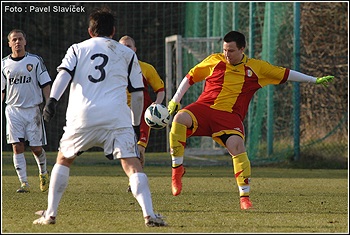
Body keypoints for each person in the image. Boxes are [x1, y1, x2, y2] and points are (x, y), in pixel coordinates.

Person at [167, 30, 334, 210]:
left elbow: (285, 73)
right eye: (224, 50)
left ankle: (244, 198)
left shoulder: (256, 68)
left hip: (230, 117)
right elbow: (190, 77)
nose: (226, 54)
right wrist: (175, 100)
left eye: (231, 51)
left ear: (242, 49)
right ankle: (177, 171)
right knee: (179, 118)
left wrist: (314, 80)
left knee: (237, 146)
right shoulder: (214, 61)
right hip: (204, 109)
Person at [32, 7, 166, 227]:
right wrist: (134, 126)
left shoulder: (76, 48)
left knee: (64, 160)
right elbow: (138, 94)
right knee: (132, 165)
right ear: (113, 31)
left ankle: (51, 214)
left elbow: (63, 75)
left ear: (90, 31)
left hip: (82, 116)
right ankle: (149, 214)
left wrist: (52, 102)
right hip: (116, 116)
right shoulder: (127, 53)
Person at [2, 29, 51, 193]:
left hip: (32, 110)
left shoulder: (35, 61)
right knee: (17, 146)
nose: (17, 42)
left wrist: (49, 103)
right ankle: (24, 183)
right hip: (13, 110)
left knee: (36, 148)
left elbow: (45, 83)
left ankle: (43, 173)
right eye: (14, 40)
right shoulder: (3, 64)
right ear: (9, 44)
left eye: (20, 39)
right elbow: (2, 89)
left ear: (25, 42)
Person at [119, 35, 165, 192]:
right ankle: (135, 178)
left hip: (142, 116)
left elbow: (160, 90)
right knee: (127, 150)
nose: (126, 49)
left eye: (129, 46)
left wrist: (156, 105)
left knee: (139, 150)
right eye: (123, 46)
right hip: (120, 116)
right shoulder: (112, 69)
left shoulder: (146, 68)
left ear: (135, 49)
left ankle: (135, 182)